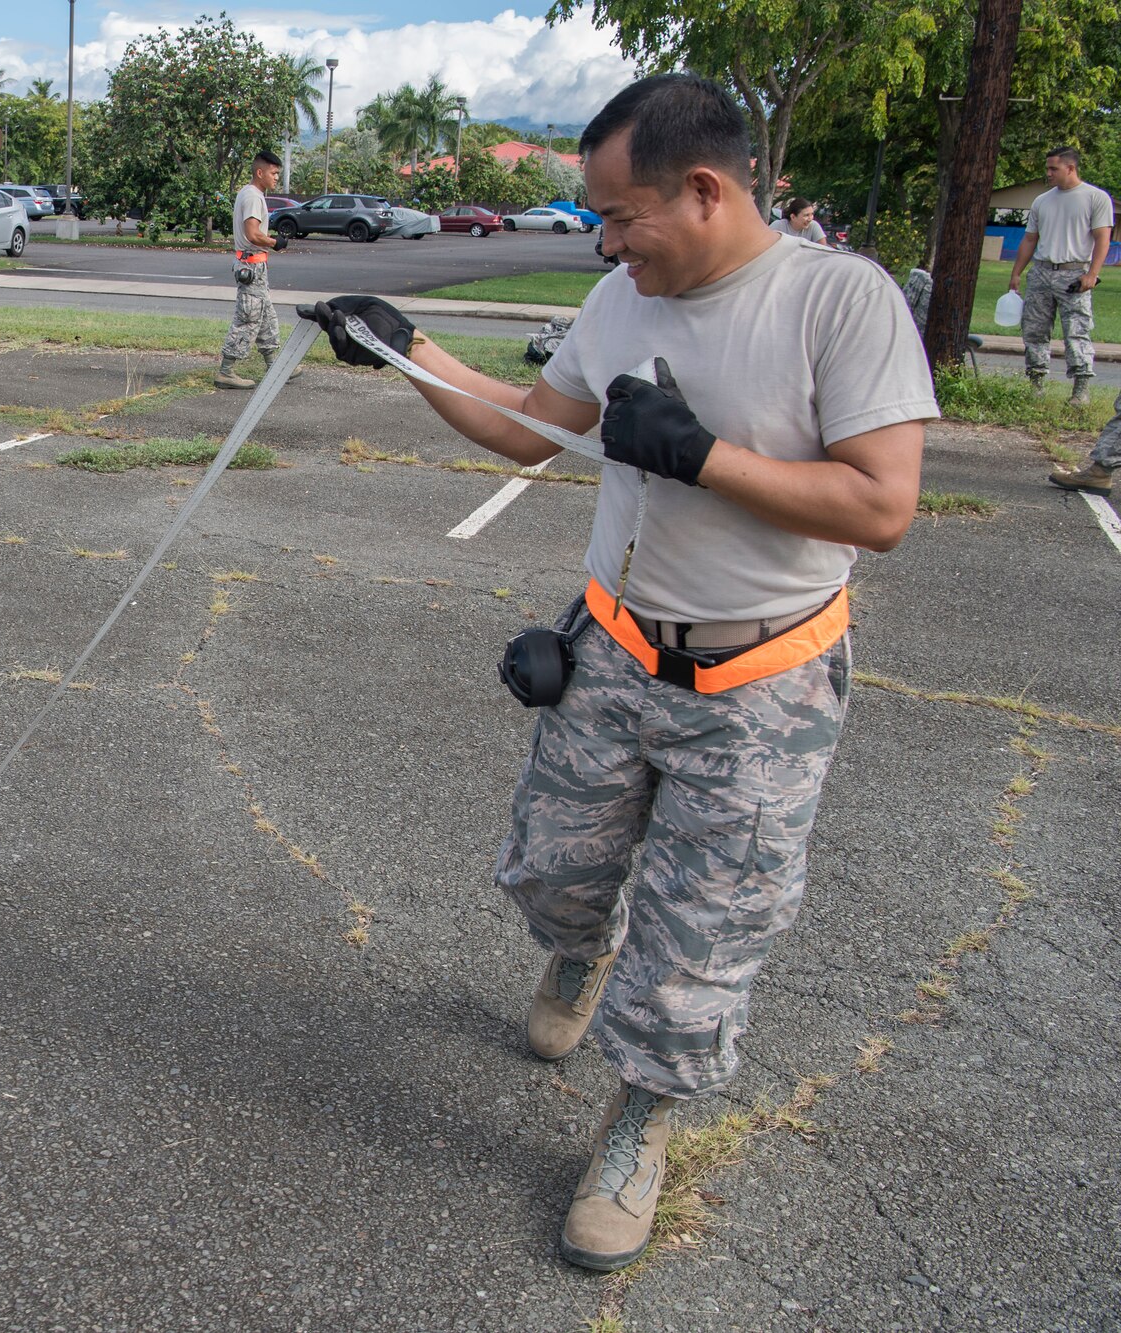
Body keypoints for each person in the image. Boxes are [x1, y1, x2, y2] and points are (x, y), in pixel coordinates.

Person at [310, 73, 936, 1272]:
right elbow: (528, 428)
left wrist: (702, 457)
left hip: (761, 686)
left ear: (703, 191)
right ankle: (578, 948)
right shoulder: (620, 295)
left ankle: (637, 1121)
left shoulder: (835, 302)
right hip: (607, 653)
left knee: (701, 938)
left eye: (620, 215)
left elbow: (879, 503)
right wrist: (407, 350)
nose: (605, 241)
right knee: (552, 866)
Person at [1008, 146, 1112, 407]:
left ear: (1070, 168)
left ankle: (1080, 390)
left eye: (1053, 168)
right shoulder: (1042, 200)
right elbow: (1030, 239)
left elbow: (1103, 238)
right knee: (1034, 331)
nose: (1049, 173)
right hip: (1041, 271)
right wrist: (1017, 273)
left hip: (1074, 273)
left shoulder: (1095, 198)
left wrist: (1092, 274)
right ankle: (1036, 385)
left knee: (1077, 331)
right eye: (1047, 168)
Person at [215, 149, 293, 390]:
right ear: (260, 172)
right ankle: (226, 372)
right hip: (251, 265)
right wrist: (274, 242)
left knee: (266, 315)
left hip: (255, 265)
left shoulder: (251, 194)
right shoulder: (253, 196)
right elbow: (252, 233)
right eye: (273, 173)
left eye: (278, 174)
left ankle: (274, 365)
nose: (276, 177)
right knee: (248, 318)